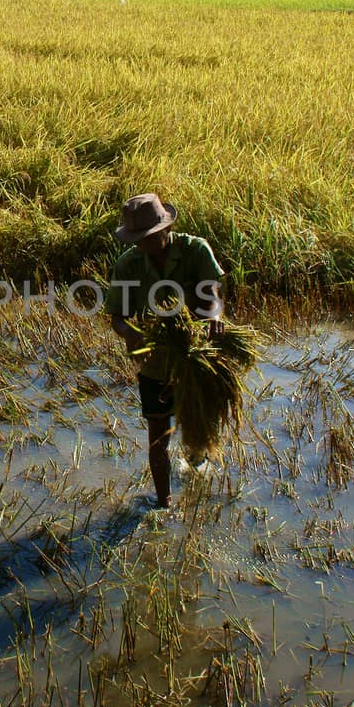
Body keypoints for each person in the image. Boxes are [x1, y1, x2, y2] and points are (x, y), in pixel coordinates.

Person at [104, 193, 224, 509]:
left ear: (166, 228)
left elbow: (211, 294)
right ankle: (163, 504)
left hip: (196, 352)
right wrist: (129, 334)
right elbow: (117, 317)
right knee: (158, 434)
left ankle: (197, 466)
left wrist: (213, 316)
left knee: (198, 422)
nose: (146, 244)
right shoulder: (128, 264)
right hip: (155, 358)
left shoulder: (195, 250)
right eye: (139, 239)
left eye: (151, 237)